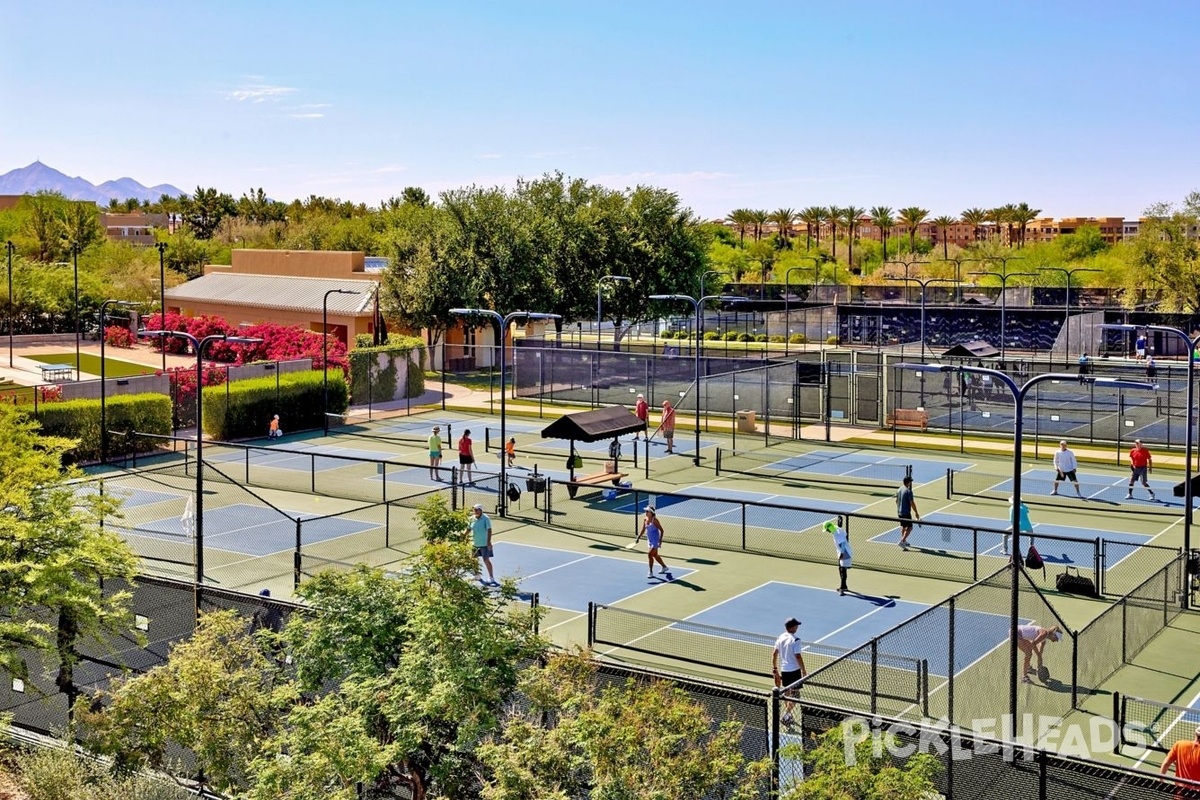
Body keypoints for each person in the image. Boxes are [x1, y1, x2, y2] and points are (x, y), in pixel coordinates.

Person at [771, 617, 806, 724]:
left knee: (787, 694)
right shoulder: (796, 640)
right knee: (795, 695)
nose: (797, 627)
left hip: (784, 670)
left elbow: (774, 653)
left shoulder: (781, 637)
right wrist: (804, 671)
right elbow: (798, 656)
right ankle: (786, 715)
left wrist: (775, 669)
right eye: (796, 625)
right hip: (794, 671)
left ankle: (788, 715)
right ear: (792, 627)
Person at [467, 503, 498, 587]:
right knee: (473, 560)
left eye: (477, 510)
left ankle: (491, 578)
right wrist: (462, 537)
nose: (475, 511)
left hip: (484, 544)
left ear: (481, 510)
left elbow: (489, 530)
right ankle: (477, 575)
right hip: (475, 543)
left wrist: (488, 542)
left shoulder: (486, 519)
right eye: (474, 510)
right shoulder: (471, 519)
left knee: (486, 560)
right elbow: (468, 529)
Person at [1161, 726, 1200, 792]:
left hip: (1180, 791)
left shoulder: (1179, 744)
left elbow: (1166, 763)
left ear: (1195, 734)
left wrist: (1161, 779)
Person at [640, 506, 671, 579]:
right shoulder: (645, 519)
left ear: (651, 513)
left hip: (655, 540)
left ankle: (650, 572)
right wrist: (638, 537)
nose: (646, 513)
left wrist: (660, 541)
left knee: (649, 554)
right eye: (646, 511)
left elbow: (662, 530)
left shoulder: (655, 520)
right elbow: (643, 529)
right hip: (650, 540)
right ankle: (664, 567)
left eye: (647, 511)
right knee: (655, 555)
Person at [826, 516, 852, 596]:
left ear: (829, 528)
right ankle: (844, 586)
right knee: (841, 569)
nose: (827, 531)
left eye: (827, 530)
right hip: (844, 552)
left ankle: (842, 587)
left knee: (842, 570)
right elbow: (844, 533)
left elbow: (843, 544)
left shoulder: (837, 534)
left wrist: (841, 554)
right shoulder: (836, 529)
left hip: (845, 552)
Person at [896, 476, 920, 549]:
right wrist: (916, 512)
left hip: (899, 512)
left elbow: (896, 501)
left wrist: (900, 508)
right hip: (906, 512)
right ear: (908, 482)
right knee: (910, 527)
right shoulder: (909, 491)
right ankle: (902, 541)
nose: (911, 483)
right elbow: (912, 503)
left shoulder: (899, 489)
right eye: (910, 481)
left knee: (903, 526)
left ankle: (904, 541)